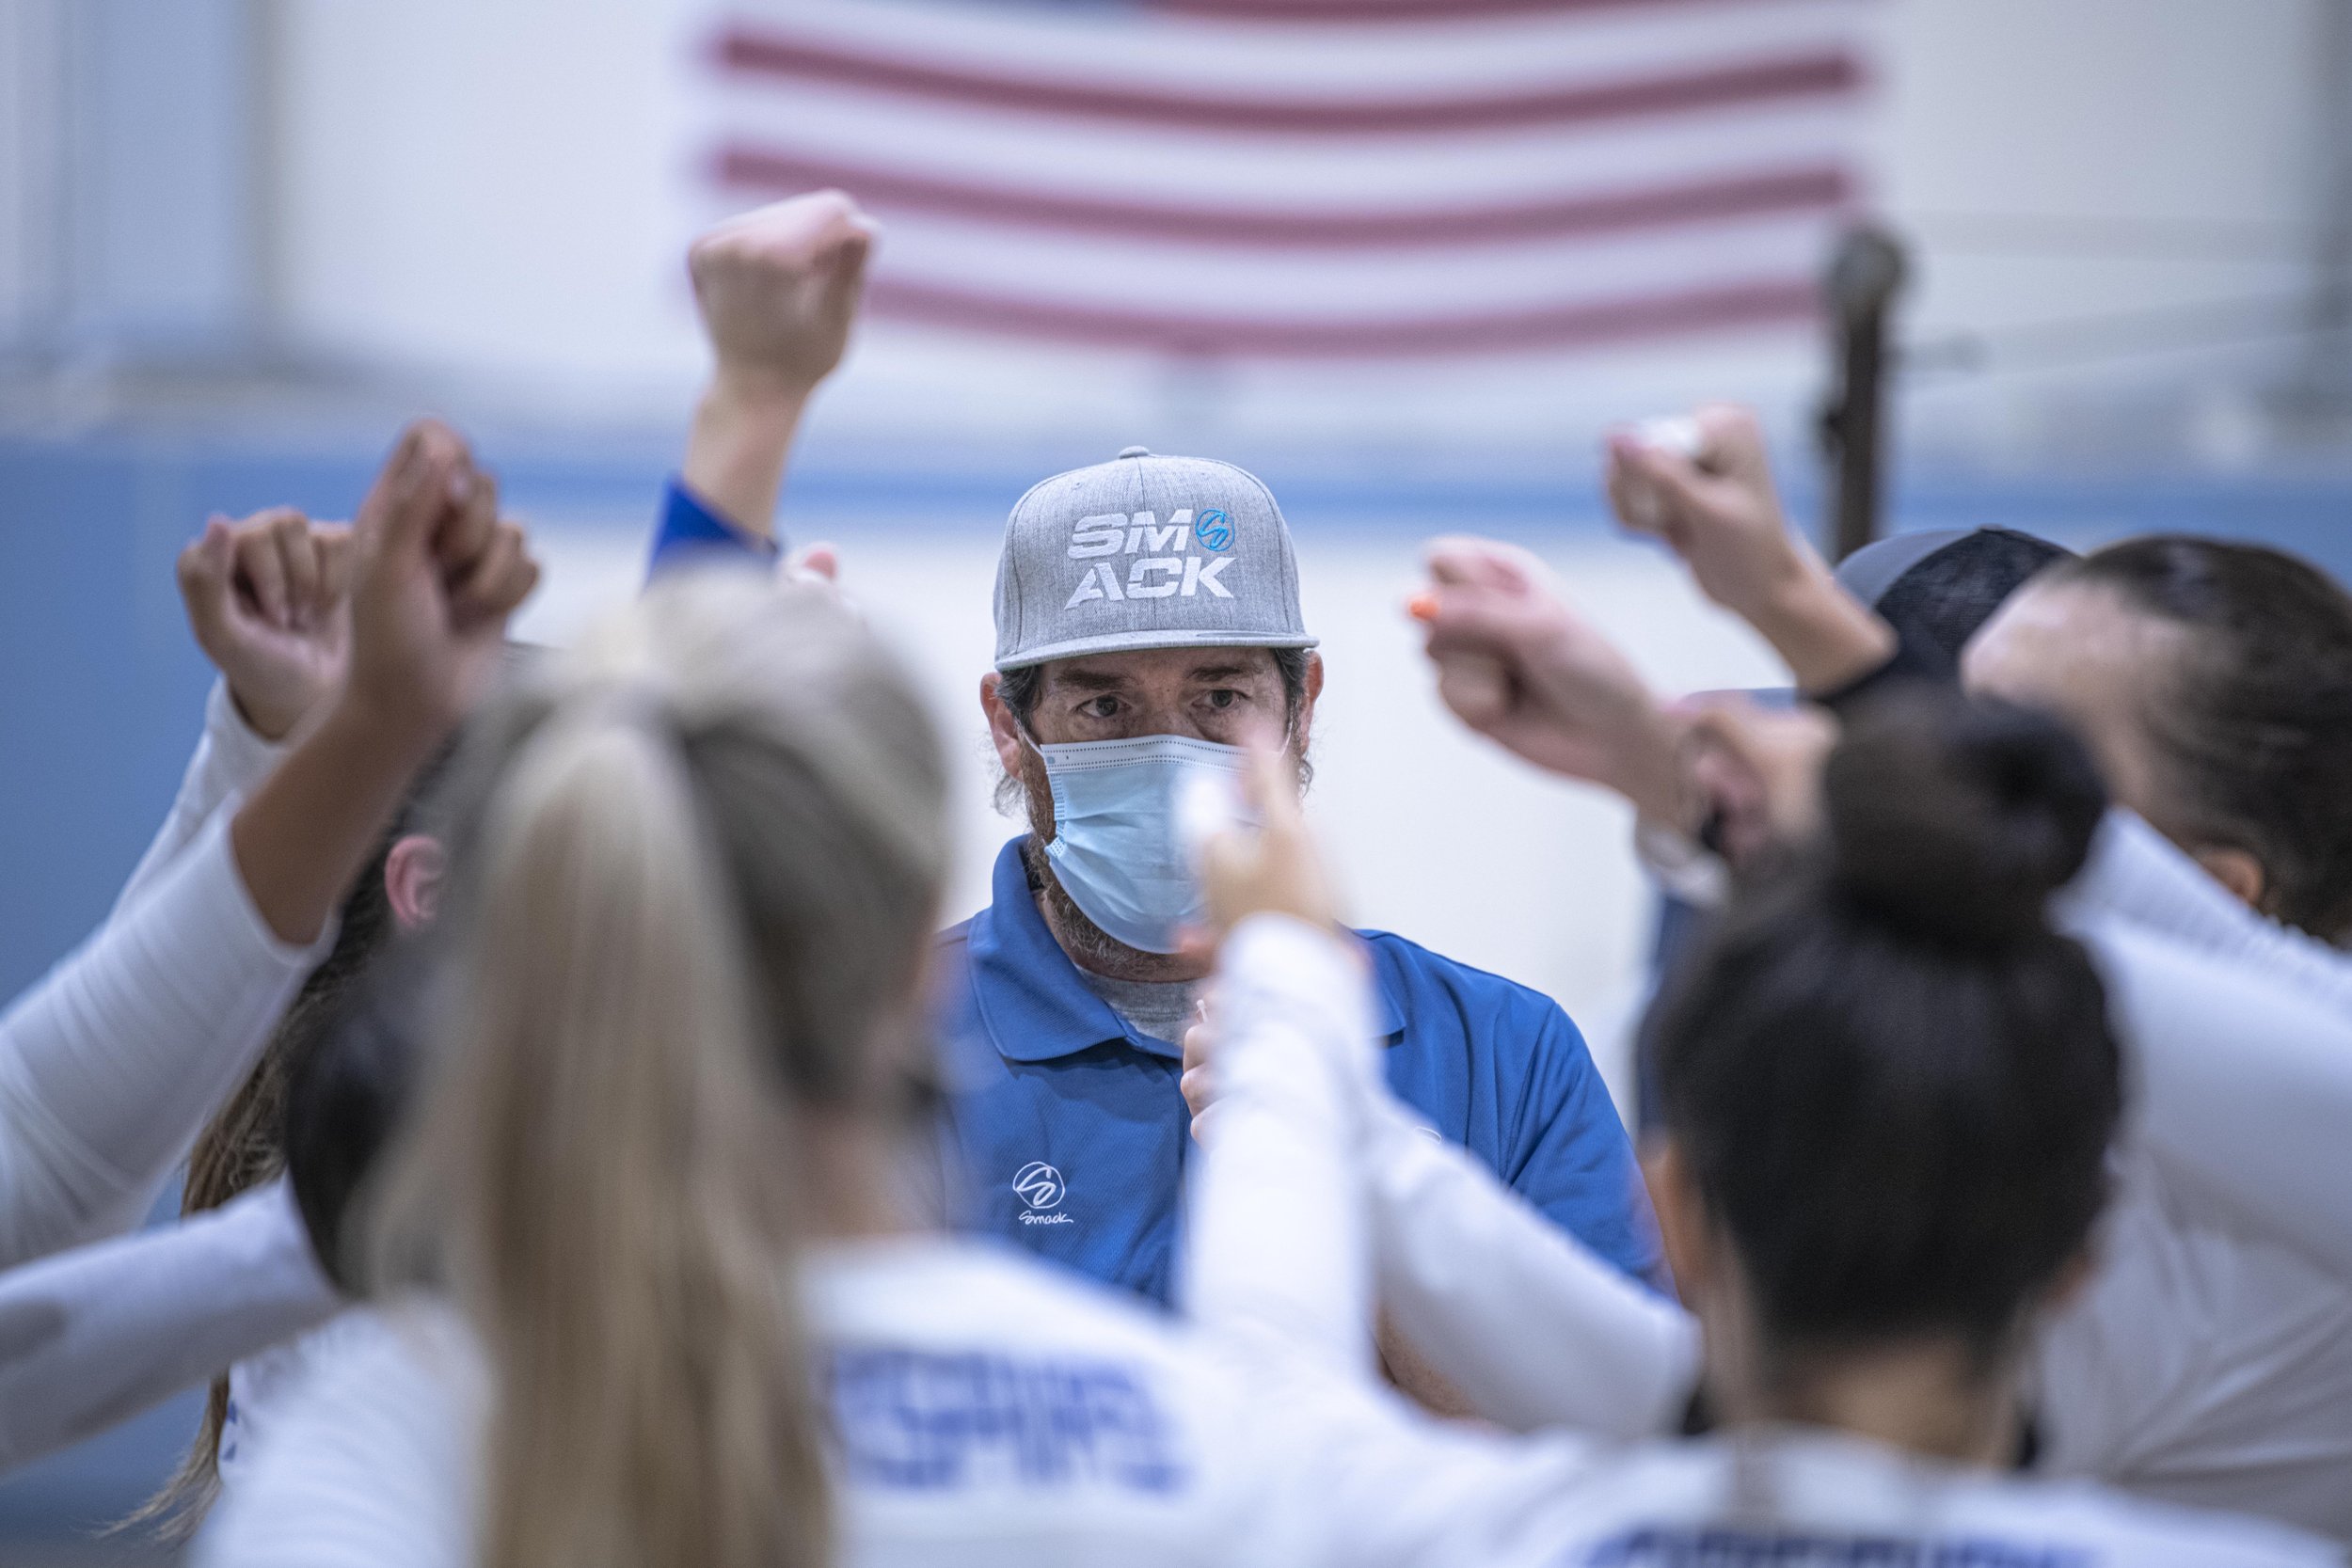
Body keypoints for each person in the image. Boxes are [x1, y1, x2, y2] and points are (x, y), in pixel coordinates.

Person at [646, 193, 1661, 1340]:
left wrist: (1352, 1200)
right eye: (1103, 702)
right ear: (1006, 723)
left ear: (1302, 705)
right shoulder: (880, 1049)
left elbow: (1605, 1467)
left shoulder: (1495, 1055)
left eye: (1219, 695)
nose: (1166, 746)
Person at [1406, 531, 2352, 1540]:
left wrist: (1324, 1104)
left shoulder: (2210, 1247)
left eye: (2017, 769)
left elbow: (1770, 1444)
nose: (1941, 788)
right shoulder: (2093, 1117)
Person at [0, 433, 540, 1486]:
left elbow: (50, 1141)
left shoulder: (314, 1224)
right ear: (425, 890)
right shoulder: (365, 1283)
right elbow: (53, 1148)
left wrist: (277, 736)